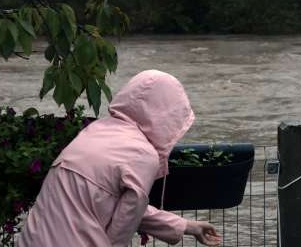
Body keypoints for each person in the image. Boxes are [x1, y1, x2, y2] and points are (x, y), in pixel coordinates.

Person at [19, 70, 222, 246]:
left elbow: (117, 206)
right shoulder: (142, 153)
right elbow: (122, 228)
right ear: (166, 115)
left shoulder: (97, 130)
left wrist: (188, 226)